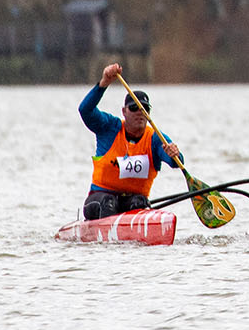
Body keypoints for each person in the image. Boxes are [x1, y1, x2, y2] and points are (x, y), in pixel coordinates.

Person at [78, 63, 183, 220]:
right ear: (124, 111)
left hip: (131, 202)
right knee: (109, 203)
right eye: (134, 107)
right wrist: (104, 83)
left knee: (139, 202)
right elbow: (85, 110)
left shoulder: (155, 138)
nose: (140, 113)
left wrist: (175, 154)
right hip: (99, 198)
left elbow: (176, 162)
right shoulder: (109, 127)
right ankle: (107, 242)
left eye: (145, 109)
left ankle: (132, 240)